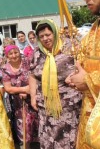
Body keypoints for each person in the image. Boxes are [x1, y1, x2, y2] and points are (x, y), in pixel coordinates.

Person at [29, 19, 82, 149]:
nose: (45, 38)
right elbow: (31, 74)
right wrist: (32, 96)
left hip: (68, 106)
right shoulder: (37, 53)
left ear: (55, 33)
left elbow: (83, 67)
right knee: (49, 141)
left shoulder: (70, 47)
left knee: (68, 141)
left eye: (48, 34)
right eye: (41, 36)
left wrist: (74, 77)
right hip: (46, 107)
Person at [67, 0, 100, 149]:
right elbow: (82, 63)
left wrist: (87, 80)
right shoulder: (93, 30)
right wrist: (74, 77)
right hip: (90, 113)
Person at [0, 45, 38, 148]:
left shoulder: (27, 62)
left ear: (19, 52)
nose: (14, 55)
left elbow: (36, 76)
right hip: (19, 103)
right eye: (10, 54)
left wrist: (31, 89)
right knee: (24, 130)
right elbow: (7, 88)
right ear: (7, 56)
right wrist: (23, 89)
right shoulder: (5, 68)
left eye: (16, 52)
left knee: (39, 126)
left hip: (35, 98)